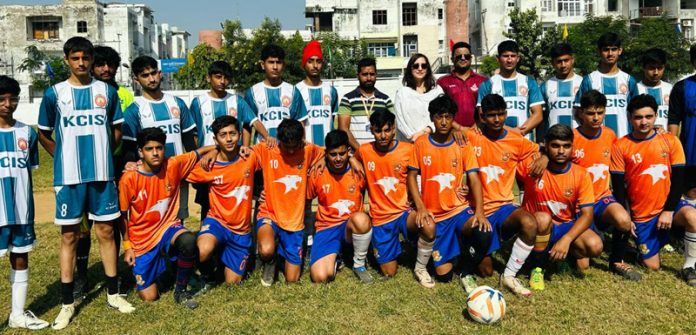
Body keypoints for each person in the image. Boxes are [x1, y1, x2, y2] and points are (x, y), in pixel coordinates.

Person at [37, 36, 134, 330]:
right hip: (69, 178)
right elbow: (44, 132)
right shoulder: (54, 94)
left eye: (86, 58)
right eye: (75, 58)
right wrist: (62, 157)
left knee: (106, 231)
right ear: (67, 60)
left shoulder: (107, 92)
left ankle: (113, 294)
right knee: (70, 236)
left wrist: (103, 154)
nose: (81, 63)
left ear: (92, 60)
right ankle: (67, 304)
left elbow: (116, 132)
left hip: (102, 175)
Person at [119, 127, 217, 308]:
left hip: (168, 227)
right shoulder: (129, 178)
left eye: (159, 148)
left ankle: (180, 290)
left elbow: (200, 151)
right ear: (140, 151)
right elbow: (123, 215)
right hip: (142, 237)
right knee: (149, 296)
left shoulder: (173, 164)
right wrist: (127, 246)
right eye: (149, 149)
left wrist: (216, 150)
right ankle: (160, 273)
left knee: (188, 241)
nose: (155, 153)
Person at [462, 93, 547, 297]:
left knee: (529, 223)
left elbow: (543, 149)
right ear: (482, 116)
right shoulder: (471, 137)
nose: (497, 119)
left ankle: (509, 275)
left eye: (501, 114)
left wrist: (543, 157)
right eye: (492, 115)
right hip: (476, 209)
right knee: (485, 271)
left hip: (503, 208)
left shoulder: (516, 140)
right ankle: (466, 258)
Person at [611, 94, 696, 286]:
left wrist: (668, 210)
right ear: (630, 118)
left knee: (692, 216)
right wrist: (627, 215)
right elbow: (618, 187)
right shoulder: (621, 145)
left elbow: (678, 180)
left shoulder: (670, 141)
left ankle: (689, 266)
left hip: (668, 207)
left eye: (649, 117)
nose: (644, 122)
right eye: (638, 117)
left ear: (656, 116)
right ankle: (639, 250)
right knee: (653, 266)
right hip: (643, 214)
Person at [74, 44, 135, 299]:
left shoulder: (126, 95)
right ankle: (81, 275)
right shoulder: (82, 92)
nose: (106, 69)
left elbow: (129, 135)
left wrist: (129, 162)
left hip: (116, 165)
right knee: (83, 225)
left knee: (114, 219)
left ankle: (118, 271)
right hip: (86, 168)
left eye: (110, 64)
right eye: (100, 64)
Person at [407, 94, 486, 287]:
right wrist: (421, 207)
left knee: (483, 231)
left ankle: (466, 268)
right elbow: (411, 177)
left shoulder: (463, 144)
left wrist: (480, 212)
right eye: (439, 117)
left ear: (454, 118)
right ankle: (450, 250)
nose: (443, 122)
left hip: (458, 211)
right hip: (435, 216)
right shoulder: (421, 143)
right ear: (432, 118)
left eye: (448, 117)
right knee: (443, 276)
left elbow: (474, 179)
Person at [354, 110, 435, 287]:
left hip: (404, 213)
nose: (382, 136)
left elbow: (428, 171)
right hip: (380, 218)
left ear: (393, 128)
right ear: (371, 130)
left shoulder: (408, 149)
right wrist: (353, 161)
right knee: (389, 272)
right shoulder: (364, 151)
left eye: (387, 130)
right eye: (377, 131)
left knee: (428, 225)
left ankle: (420, 267)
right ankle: (380, 248)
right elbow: (352, 162)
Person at [189, 60, 273, 220]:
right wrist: (199, 156)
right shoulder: (198, 103)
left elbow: (252, 122)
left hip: (233, 162)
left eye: (226, 78)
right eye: (218, 77)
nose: (222, 81)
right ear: (208, 78)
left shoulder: (238, 101)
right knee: (208, 206)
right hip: (209, 163)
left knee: (237, 202)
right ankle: (207, 239)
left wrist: (266, 137)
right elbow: (193, 133)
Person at [523, 124, 602, 290]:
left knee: (594, 246)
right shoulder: (532, 167)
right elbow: (511, 139)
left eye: (566, 146)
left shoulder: (581, 173)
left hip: (564, 226)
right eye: (555, 146)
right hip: (536, 227)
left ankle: (563, 255)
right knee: (543, 218)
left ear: (572, 147)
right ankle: (537, 267)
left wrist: (566, 239)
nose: (561, 151)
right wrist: (543, 155)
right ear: (546, 145)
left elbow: (587, 215)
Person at [571, 90, 640, 280]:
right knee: (583, 265)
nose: (596, 117)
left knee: (623, 220)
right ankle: (572, 247)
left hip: (602, 197)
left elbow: (630, 146)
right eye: (591, 113)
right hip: (579, 204)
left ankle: (617, 261)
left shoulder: (610, 135)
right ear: (581, 113)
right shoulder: (572, 138)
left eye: (600, 112)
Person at [122, 55, 197, 223]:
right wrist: (130, 164)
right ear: (136, 80)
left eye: (153, 73)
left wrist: (193, 165)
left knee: (178, 220)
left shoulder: (177, 103)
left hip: (177, 173)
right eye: (145, 75)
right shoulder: (134, 110)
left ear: (160, 73)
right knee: (153, 219)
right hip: (150, 177)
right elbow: (129, 145)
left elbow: (188, 140)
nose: (151, 78)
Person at [186, 116, 259, 288]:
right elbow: (177, 170)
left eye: (232, 134)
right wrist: (210, 150)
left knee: (232, 283)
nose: (228, 139)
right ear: (216, 139)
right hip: (217, 221)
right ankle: (208, 272)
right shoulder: (207, 165)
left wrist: (262, 193)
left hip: (241, 229)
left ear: (240, 135)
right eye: (223, 135)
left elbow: (276, 160)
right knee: (202, 251)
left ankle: (225, 256)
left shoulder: (250, 156)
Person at [0, 76, 48, 330]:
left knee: (20, 258)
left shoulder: (27, 132)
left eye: (13, 99)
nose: (8, 104)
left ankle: (17, 315)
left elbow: (28, 169)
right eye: (2, 99)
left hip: (21, 211)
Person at [254, 119, 324, 285]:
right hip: (269, 212)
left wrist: (323, 159)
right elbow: (241, 163)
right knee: (265, 249)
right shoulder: (267, 149)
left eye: (295, 145)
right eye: (287, 146)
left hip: (294, 221)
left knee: (292, 279)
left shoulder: (309, 150)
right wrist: (256, 193)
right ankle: (269, 260)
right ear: (279, 140)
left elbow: (329, 152)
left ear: (302, 139)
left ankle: (279, 255)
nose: (292, 150)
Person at [306, 130, 373, 284]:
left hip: (350, 227)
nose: (338, 159)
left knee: (361, 219)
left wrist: (352, 160)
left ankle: (359, 265)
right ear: (326, 153)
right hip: (326, 228)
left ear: (348, 152)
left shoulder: (358, 171)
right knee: (320, 277)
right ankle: (338, 257)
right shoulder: (317, 172)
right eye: (333, 154)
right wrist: (308, 238)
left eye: (342, 154)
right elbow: (307, 203)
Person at [477, 40, 544, 140]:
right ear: (498, 58)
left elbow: (538, 115)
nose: (509, 60)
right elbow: (482, 116)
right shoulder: (487, 85)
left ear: (518, 58)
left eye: (513, 56)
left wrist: (520, 132)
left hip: (524, 139)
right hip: (498, 141)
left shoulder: (529, 82)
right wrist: (511, 132)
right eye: (505, 56)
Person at [575, 32, 638, 138]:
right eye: (606, 49)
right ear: (599, 51)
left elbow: (637, 112)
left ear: (620, 51)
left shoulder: (629, 80)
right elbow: (579, 111)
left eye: (613, 49)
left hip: (625, 139)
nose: (610, 53)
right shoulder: (589, 80)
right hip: (597, 141)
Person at [244, 44, 308, 143]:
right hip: (262, 151)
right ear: (262, 64)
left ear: (283, 65)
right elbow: (247, 124)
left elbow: (300, 122)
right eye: (271, 62)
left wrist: (301, 143)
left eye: (278, 62)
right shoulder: (252, 93)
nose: (275, 67)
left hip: (287, 151)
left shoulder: (293, 91)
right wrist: (246, 147)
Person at [338, 58, 395, 151]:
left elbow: (393, 129)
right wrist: (361, 151)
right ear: (358, 75)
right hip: (356, 155)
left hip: (380, 155)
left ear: (376, 75)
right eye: (365, 74)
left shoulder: (385, 100)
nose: (369, 78)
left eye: (372, 74)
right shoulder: (347, 99)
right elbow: (343, 129)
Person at [295, 40, 339, 147]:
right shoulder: (296, 90)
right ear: (304, 64)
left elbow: (332, 121)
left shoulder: (331, 90)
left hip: (327, 149)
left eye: (318, 61)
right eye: (310, 61)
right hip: (305, 150)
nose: (315, 65)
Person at [668, 45, 696, 205]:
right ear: (693, 62)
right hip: (691, 154)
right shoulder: (682, 87)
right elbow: (673, 119)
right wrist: (673, 150)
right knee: (692, 193)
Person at [394, 53, 444, 142]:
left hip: (432, 141)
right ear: (410, 69)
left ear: (428, 69)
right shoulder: (402, 93)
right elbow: (400, 121)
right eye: (416, 66)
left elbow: (442, 116)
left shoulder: (437, 91)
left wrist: (426, 131)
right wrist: (414, 138)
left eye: (423, 66)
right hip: (409, 143)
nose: (420, 69)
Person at [437, 42, 487, 127]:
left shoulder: (483, 81)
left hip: (478, 132)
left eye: (466, 56)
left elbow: (488, 109)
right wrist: (458, 128)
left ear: (471, 59)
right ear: (452, 59)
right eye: (459, 56)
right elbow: (439, 111)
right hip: (452, 133)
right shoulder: (443, 82)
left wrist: (477, 125)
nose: (463, 59)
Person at [541, 43, 583, 129]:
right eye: (559, 61)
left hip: (578, 138)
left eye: (566, 60)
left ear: (572, 60)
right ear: (553, 63)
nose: (563, 65)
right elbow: (542, 117)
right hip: (554, 138)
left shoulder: (583, 83)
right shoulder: (545, 86)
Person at [636, 48, 672, 130]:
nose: (656, 73)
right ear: (643, 67)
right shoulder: (636, 89)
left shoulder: (671, 89)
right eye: (651, 68)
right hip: (641, 141)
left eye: (659, 68)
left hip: (665, 141)